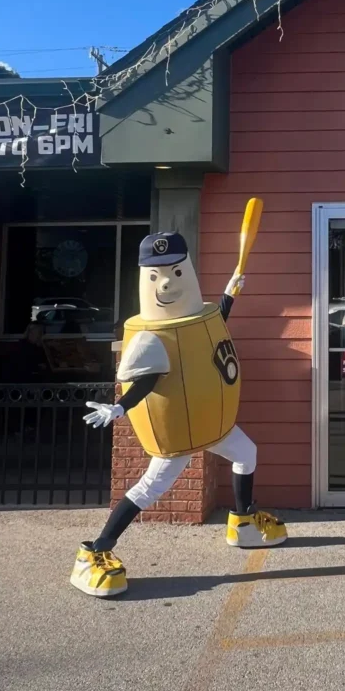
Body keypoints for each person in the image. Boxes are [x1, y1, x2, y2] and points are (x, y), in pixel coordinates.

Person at [69, 230, 287, 598]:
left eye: (177, 272)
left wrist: (230, 292)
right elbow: (146, 382)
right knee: (149, 489)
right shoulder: (152, 338)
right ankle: (93, 552)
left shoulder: (201, 320)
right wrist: (120, 407)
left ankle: (244, 522)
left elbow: (214, 324)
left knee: (246, 453)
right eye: (156, 275)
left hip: (214, 424)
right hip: (180, 432)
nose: (167, 283)